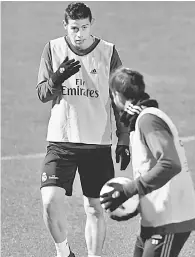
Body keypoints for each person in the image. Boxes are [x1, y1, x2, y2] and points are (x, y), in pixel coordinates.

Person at [36, 2, 130, 257]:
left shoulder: (108, 52)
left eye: (84, 27)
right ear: (65, 26)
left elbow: (119, 98)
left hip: (96, 144)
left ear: (92, 24)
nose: (79, 34)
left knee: (94, 208)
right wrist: (56, 79)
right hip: (61, 140)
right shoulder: (53, 49)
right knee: (49, 202)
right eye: (74, 28)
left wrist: (123, 138)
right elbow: (42, 93)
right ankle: (63, 252)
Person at [101, 67, 195, 257]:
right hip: (154, 218)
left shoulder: (148, 120)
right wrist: (135, 203)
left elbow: (170, 163)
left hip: (169, 219)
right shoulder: (141, 117)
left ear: (117, 95)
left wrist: (128, 190)